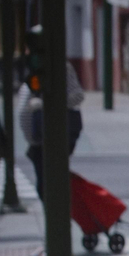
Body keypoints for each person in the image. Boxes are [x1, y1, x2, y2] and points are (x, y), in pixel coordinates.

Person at [21, 25, 86, 200]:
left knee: (49, 185)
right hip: (37, 140)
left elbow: (77, 96)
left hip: (54, 135)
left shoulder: (61, 67)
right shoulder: (35, 65)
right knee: (43, 184)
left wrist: (44, 105)